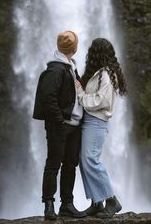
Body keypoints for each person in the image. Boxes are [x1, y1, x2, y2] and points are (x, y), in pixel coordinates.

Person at [33, 30, 85, 220]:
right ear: (74, 48)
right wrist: (60, 120)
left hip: (74, 125)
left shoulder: (70, 66)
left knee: (70, 164)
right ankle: (49, 205)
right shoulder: (56, 69)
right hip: (61, 125)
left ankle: (67, 204)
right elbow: (48, 98)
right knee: (54, 164)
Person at [75, 38, 127, 219]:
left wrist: (81, 94)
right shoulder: (99, 73)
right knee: (84, 160)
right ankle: (97, 202)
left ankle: (112, 200)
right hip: (89, 121)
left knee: (90, 159)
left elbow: (101, 101)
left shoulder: (105, 74)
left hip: (96, 122)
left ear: (95, 52)